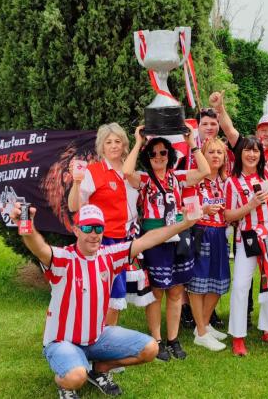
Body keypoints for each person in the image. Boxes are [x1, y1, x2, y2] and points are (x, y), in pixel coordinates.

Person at [10, 203, 198, 398]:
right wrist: (26, 225)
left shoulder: (109, 256)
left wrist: (183, 224)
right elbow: (39, 248)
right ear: (76, 230)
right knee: (76, 377)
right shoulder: (63, 258)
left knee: (151, 349)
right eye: (87, 228)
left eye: (98, 228)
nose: (94, 234)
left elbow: (147, 240)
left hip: (97, 337)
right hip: (61, 341)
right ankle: (64, 383)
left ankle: (100, 369)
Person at [123, 126, 210, 361]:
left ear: (169, 155)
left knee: (176, 289)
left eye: (163, 153)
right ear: (147, 156)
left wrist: (192, 143)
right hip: (154, 237)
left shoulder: (177, 176)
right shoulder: (144, 179)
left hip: (178, 236)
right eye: (153, 153)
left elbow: (205, 170)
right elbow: (126, 171)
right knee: (157, 291)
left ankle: (173, 338)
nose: (158, 157)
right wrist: (138, 142)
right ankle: (157, 339)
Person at [211, 92, 268, 328]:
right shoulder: (248, 153)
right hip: (248, 232)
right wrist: (220, 109)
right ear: (257, 133)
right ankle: (242, 322)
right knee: (242, 283)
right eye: (263, 130)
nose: (267, 134)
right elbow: (230, 131)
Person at [68, 123, 151, 328]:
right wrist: (77, 183)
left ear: (124, 145)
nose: (114, 146)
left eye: (118, 141)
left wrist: (139, 142)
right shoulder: (94, 171)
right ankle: (98, 337)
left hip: (128, 240)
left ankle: (105, 337)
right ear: (101, 147)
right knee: (109, 294)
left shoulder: (131, 172)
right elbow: (73, 206)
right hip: (105, 240)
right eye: (108, 142)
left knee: (116, 295)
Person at [224, 136, 268, 356]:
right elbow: (228, 215)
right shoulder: (232, 182)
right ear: (240, 154)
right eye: (248, 150)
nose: (252, 155)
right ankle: (238, 336)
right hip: (249, 239)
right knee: (241, 285)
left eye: (256, 151)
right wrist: (251, 205)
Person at [187, 138, 231, 351]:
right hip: (201, 231)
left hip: (221, 233)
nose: (215, 156)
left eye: (219, 152)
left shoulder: (227, 181)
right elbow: (184, 210)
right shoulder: (195, 179)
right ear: (202, 156)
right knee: (199, 281)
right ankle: (202, 332)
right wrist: (203, 210)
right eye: (210, 152)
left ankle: (202, 325)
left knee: (219, 280)